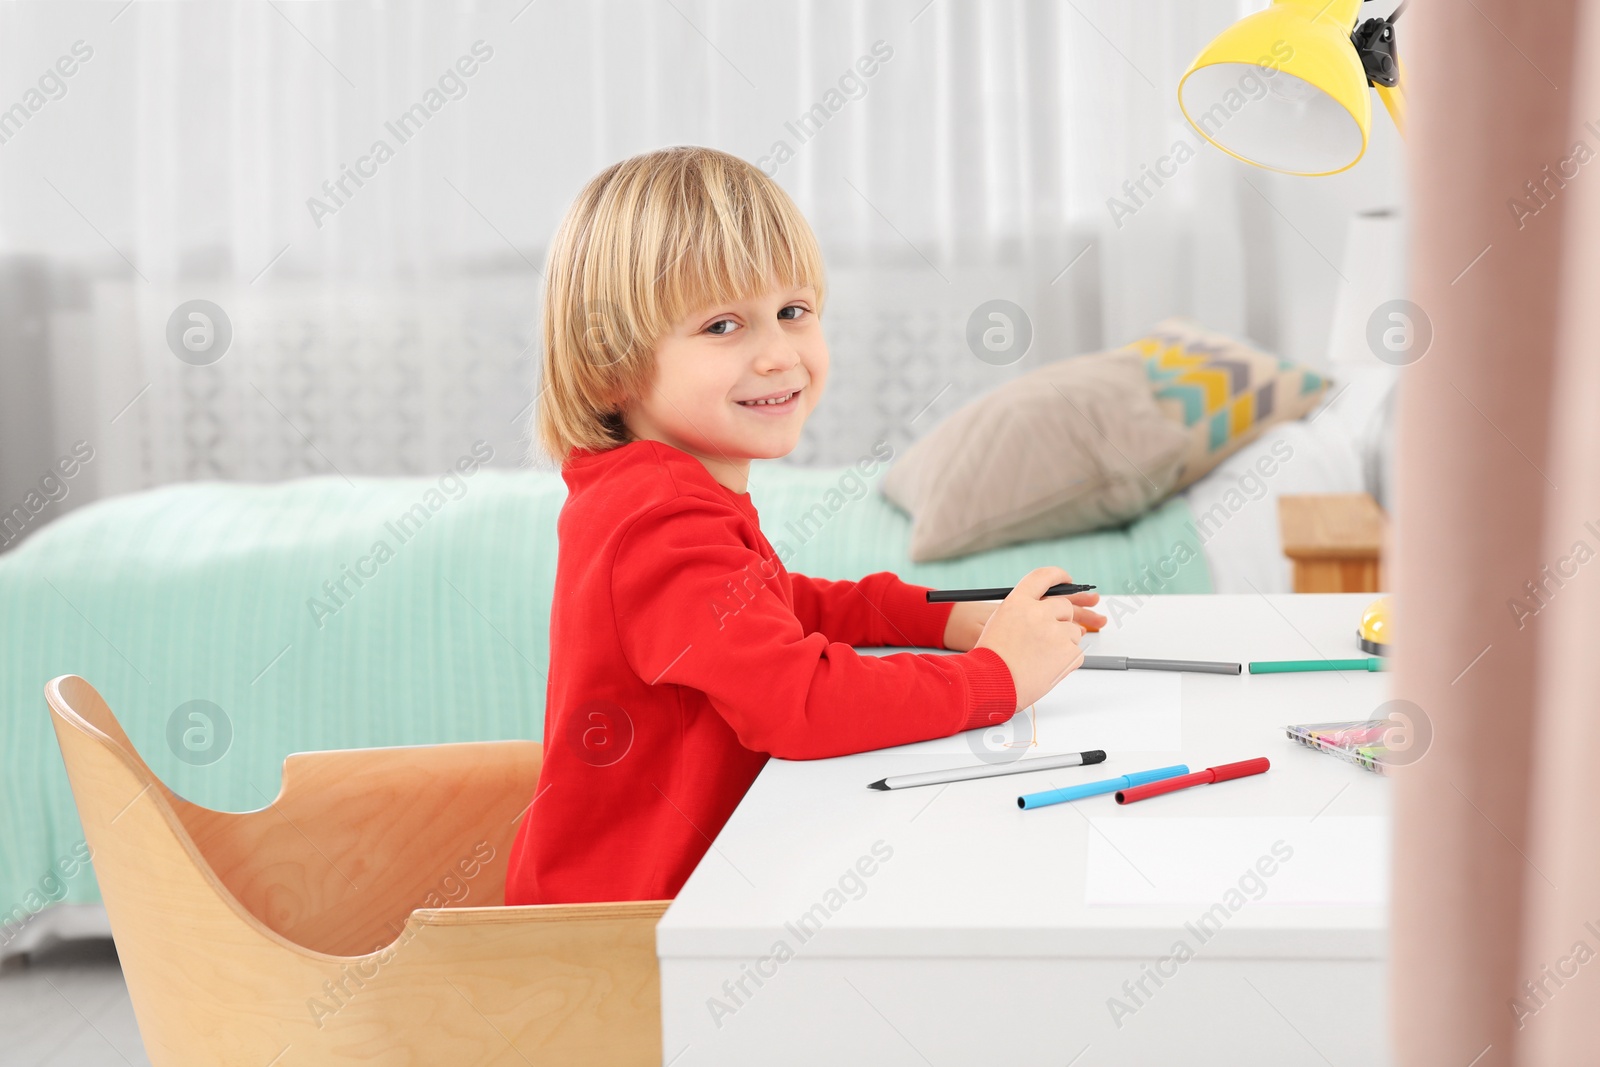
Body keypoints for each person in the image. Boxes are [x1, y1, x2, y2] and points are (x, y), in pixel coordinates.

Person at [504, 146, 1102, 905]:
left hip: (662, 908)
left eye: (793, 311)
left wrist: (942, 615)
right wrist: (997, 679)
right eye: (724, 325)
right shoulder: (659, 517)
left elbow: (771, 604)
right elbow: (799, 701)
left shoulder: (656, 489)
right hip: (623, 936)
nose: (779, 354)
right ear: (610, 365)